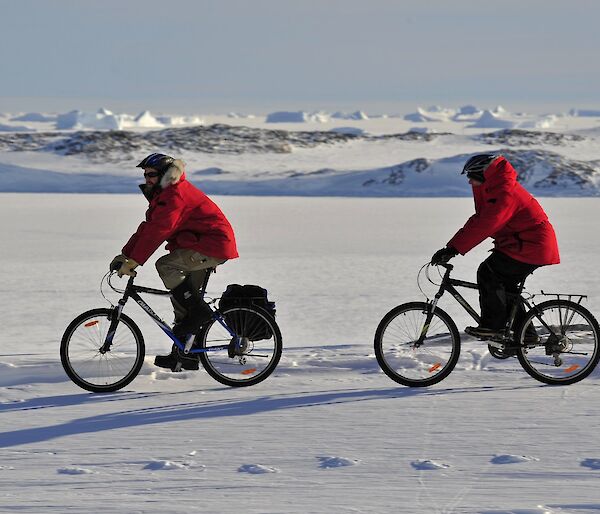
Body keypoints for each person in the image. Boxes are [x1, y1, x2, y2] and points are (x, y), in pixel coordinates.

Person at [110, 153, 238, 370]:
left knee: (166, 265)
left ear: (163, 175)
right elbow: (148, 228)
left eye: (151, 174)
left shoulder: (175, 194)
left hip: (212, 245)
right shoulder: (165, 194)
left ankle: (200, 313)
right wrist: (126, 255)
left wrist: (135, 261)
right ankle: (184, 354)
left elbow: (160, 230)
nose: (146, 179)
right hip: (201, 246)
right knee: (182, 303)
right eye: (145, 175)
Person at [430, 153, 560, 342]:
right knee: (506, 288)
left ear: (485, 174)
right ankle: (526, 335)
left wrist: (454, 249)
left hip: (531, 245)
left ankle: (493, 326)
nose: (469, 181)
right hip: (522, 244)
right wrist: (451, 247)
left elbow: (488, 223)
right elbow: (479, 220)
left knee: (489, 272)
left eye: (472, 176)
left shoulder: (504, 192)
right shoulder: (495, 190)